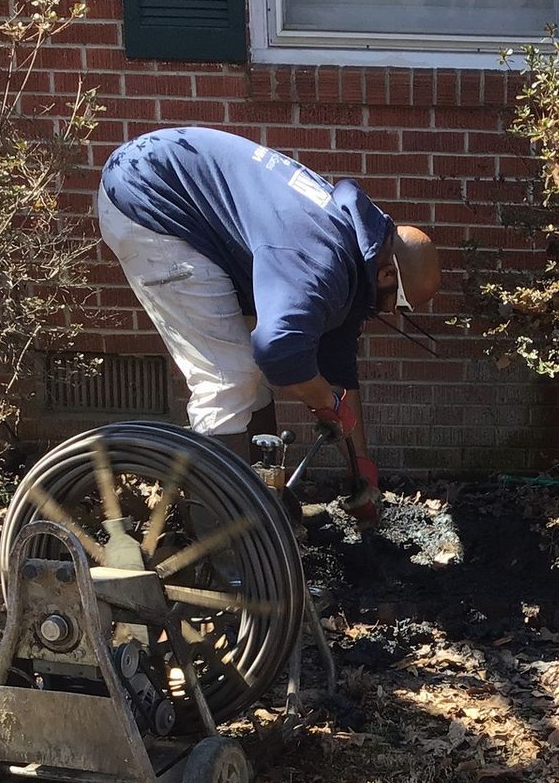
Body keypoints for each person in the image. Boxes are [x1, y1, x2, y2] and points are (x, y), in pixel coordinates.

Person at [96, 127, 441, 521]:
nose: (393, 315)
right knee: (228, 378)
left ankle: (264, 510)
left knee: (247, 374)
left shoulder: (353, 250)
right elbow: (279, 350)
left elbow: (338, 372)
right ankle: (229, 554)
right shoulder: (318, 258)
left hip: (183, 202)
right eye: (398, 303)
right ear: (385, 275)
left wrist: (360, 470)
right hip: (150, 196)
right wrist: (323, 402)